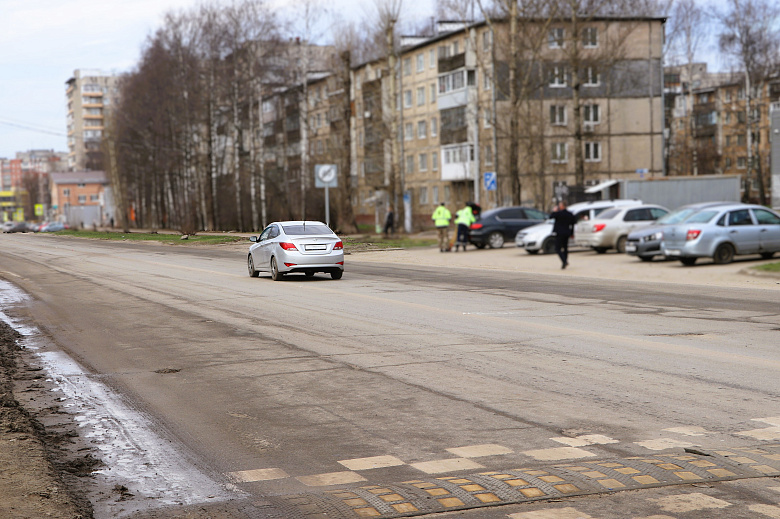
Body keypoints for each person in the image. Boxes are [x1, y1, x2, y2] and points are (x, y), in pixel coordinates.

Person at [550, 200, 576, 269]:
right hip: (567, 233)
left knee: (557, 248)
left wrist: (554, 211)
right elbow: (572, 224)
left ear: (562, 206)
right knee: (565, 248)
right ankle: (565, 261)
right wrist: (572, 233)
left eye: (559, 205)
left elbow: (551, 216)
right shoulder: (570, 214)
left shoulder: (558, 213)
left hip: (559, 233)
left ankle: (564, 261)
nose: (559, 206)